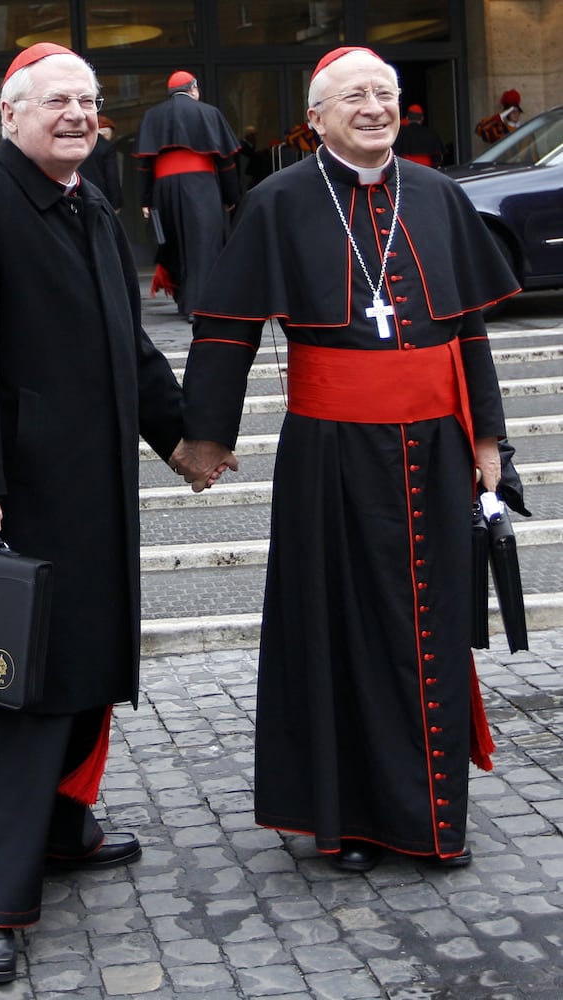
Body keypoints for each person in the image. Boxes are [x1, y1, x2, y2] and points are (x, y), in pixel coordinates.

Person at [170, 46, 520, 874]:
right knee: (339, 625)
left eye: (384, 93)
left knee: (433, 625)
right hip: (330, 451)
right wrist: (205, 438)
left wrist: (488, 441)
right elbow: (226, 328)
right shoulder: (278, 200)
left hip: (435, 447)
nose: (373, 107)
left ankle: (432, 820)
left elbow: (468, 328)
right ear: (316, 118)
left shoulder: (436, 195)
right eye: (353, 96)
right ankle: (351, 820)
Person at [0, 42, 183, 984]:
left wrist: (181, 437)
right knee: (12, 691)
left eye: (87, 102)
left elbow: (129, 346)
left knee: (83, 669)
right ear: (10, 114)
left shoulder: (90, 202)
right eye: (56, 101)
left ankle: (58, 825)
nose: (76, 115)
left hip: (96, 491)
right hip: (19, 491)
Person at [133, 70, 241, 319]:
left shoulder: (152, 116)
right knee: (203, 245)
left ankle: (184, 301)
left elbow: (145, 164)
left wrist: (145, 200)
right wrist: (230, 197)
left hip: (164, 190)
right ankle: (199, 306)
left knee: (174, 244)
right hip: (201, 186)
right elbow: (225, 161)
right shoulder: (209, 113)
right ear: (193, 89)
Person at [79, 113, 122, 210]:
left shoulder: (75, 144)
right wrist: (116, 204)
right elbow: (112, 177)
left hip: (76, 198)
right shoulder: (106, 146)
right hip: (101, 199)